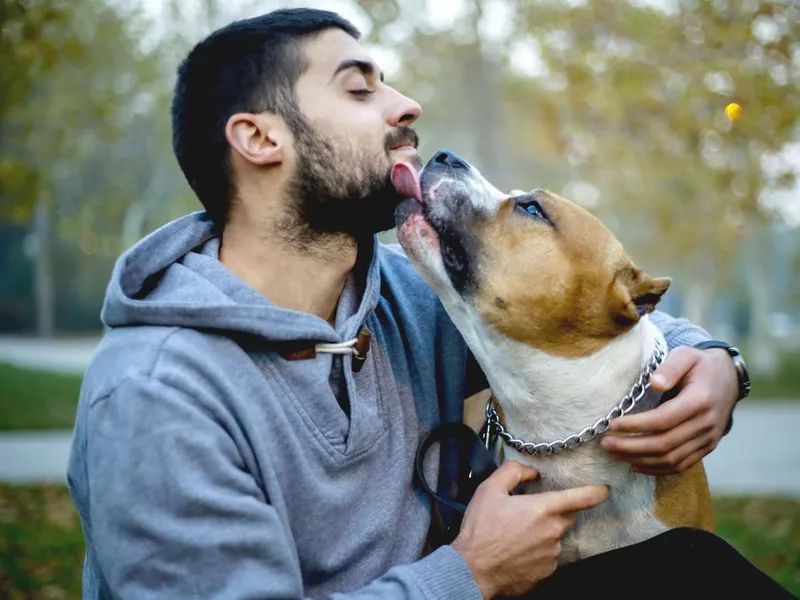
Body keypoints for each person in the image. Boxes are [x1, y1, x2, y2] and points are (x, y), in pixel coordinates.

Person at [66, 8, 792, 600]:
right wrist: (468, 575)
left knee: (690, 565)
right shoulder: (154, 397)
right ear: (259, 138)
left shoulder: (408, 298)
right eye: (359, 90)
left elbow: (589, 314)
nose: (406, 105)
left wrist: (711, 361)